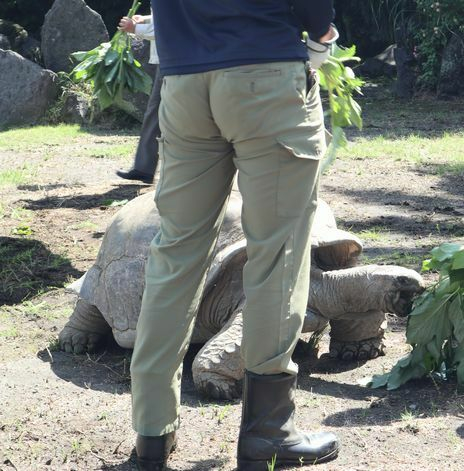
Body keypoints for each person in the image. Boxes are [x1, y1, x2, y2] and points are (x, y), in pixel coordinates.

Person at [129, 1, 340, 469]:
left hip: (184, 82)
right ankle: (268, 432)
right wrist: (321, 30)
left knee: (175, 255)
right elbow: (317, 18)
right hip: (265, 74)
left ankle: (151, 434)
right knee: (277, 254)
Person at [115, 13, 159, 185]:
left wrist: (136, 28)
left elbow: (169, 26)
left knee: (156, 114)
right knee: (155, 114)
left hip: (174, 61)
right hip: (170, 59)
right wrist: (146, 18)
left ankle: (145, 168)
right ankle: (144, 168)